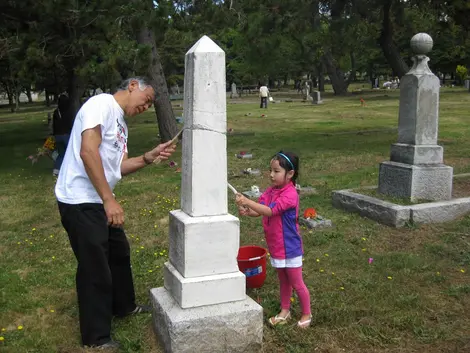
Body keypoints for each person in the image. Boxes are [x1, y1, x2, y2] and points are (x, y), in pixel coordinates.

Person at [55, 77, 176, 349]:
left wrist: (147, 157)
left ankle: (124, 306)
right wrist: (109, 200)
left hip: (97, 199)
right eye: (147, 98)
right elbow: (88, 152)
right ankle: (96, 338)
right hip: (79, 200)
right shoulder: (101, 105)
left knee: (118, 252)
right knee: (94, 265)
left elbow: (118, 167)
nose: (147, 105)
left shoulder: (120, 123)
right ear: (133, 85)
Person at [235, 151, 312, 328]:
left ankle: (307, 313)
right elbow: (261, 209)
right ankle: (285, 311)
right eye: (270, 170)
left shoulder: (290, 194)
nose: (271, 175)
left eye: (276, 171)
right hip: (277, 246)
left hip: (290, 247)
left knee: (296, 282)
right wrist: (248, 211)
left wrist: (247, 201)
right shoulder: (271, 191)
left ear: (290, 174)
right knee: (283, 281)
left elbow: (270, 211)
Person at [52, 94, 74, 176]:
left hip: (58, 135)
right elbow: (71, 124)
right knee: (69, 153)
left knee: (61, 153)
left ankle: (56, 169)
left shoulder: (56, 112)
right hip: (66, 135)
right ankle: (69, 170)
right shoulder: (70, 112)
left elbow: (54, 125)